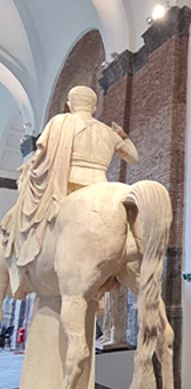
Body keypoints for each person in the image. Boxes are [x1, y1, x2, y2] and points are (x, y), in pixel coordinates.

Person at [1, 85, 138, 295]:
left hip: (67, 186)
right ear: (94, 106)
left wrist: (29, 171)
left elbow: (40, 158)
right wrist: (121, 134)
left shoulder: (60, 122)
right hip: (99, 185)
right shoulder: (106, 132)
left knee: (10, 226)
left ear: (70, 104)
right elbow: (133, 156)